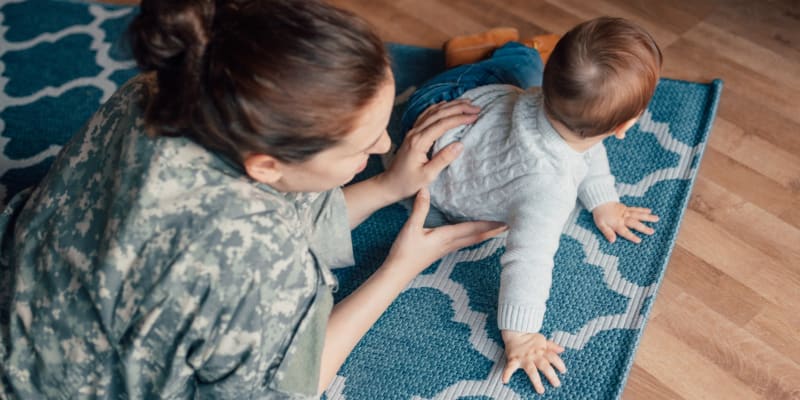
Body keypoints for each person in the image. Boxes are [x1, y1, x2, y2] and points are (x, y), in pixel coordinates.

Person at [0, 0, 507, 398]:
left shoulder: (160, 89)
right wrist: (400, 267)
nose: (384, 146)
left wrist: (385, 186)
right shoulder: (260, 260)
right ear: (265, 165)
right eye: (365, 142)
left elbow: (285, 204)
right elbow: (291, 389)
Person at [400, 17, 663, 394]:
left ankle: (505, 52)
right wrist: (520, 335)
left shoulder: (545, 99)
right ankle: (490, 51)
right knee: (521, 65)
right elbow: (528, 259)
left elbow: (585, 147)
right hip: (448, 108)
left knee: (523, 70)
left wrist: (603, 200)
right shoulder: (549, 188)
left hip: (440, 119)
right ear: (626, 126)